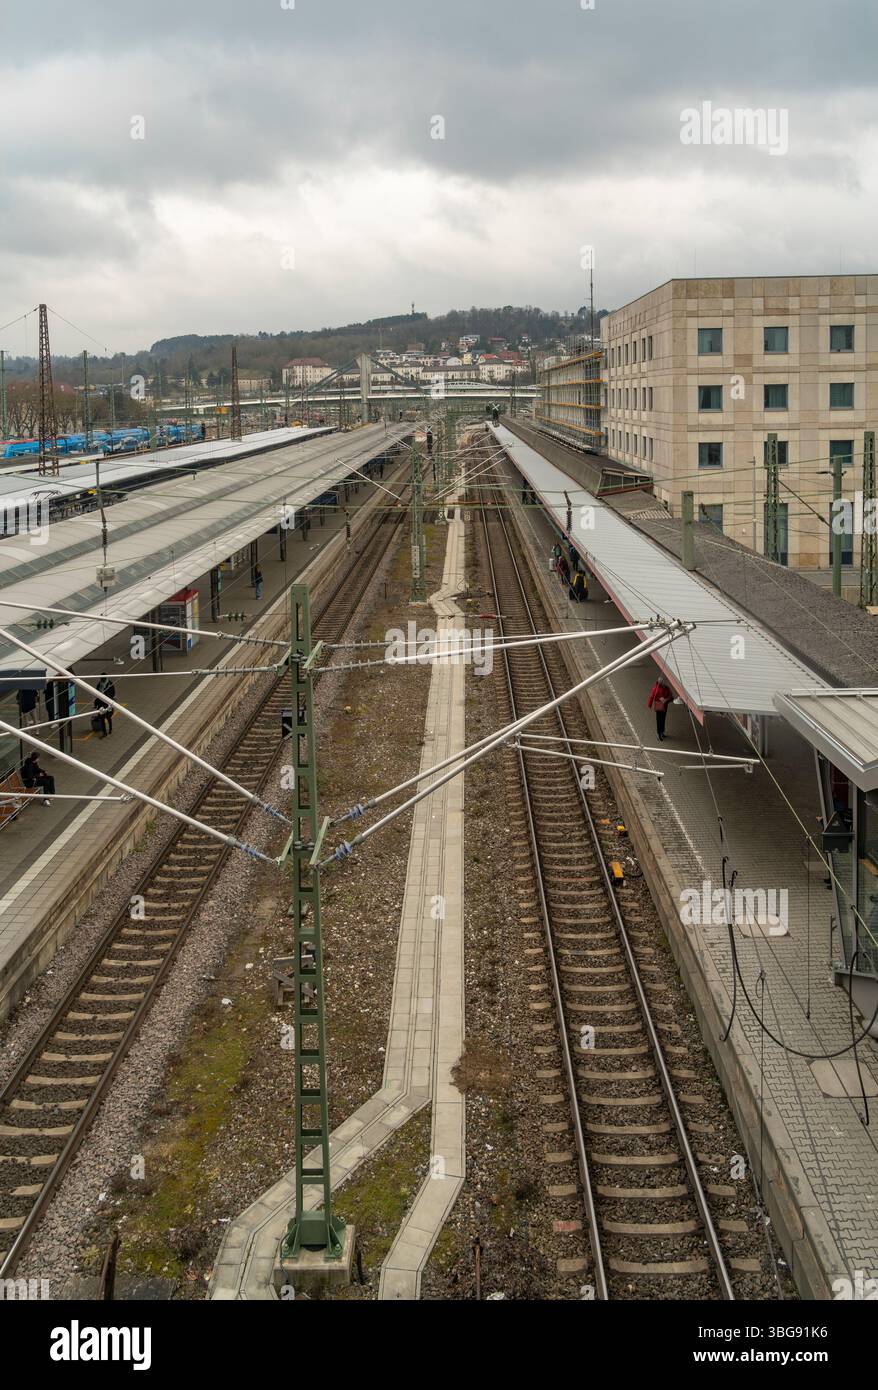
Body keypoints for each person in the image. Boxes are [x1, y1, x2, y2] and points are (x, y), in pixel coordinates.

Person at [94, 673, 116, 738]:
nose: (101, 679)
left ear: (105, 678)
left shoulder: (110, 684)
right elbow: (97, 694)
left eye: (102, 678)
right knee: (102, 718)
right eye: (101, 678)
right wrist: (96, 704)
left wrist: (109, 700)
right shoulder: (99, 684)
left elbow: (113, 693)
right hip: (101, 703)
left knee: (108, 717)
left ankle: (110, 729)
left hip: (107, 703)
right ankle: (104, 732)